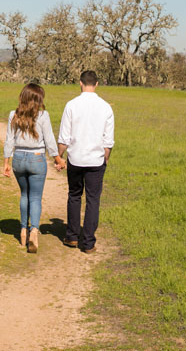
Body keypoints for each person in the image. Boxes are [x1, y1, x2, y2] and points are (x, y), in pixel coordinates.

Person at [2, 83, 65, 254]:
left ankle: (23, 230)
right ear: (39, 99)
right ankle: (34, 232)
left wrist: (6, 162)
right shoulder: (43, 116)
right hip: (37, 158)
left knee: (24, 195)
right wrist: (59, 160)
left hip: (19, 158)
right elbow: (50, 141)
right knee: (35, 198)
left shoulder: (13, 115)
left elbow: (9, 140)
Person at [57, 70, 114, 254]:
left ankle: (72, 236)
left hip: (75, 158)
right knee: (93, 200)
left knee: (74, 195)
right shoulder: (106, 107)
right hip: (96, 160)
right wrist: (105, 159)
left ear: (80, 83)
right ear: (96, 84)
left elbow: (64, 137)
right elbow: (108, 141)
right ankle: (88, 242)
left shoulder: (71, 105)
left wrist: (59, 157)